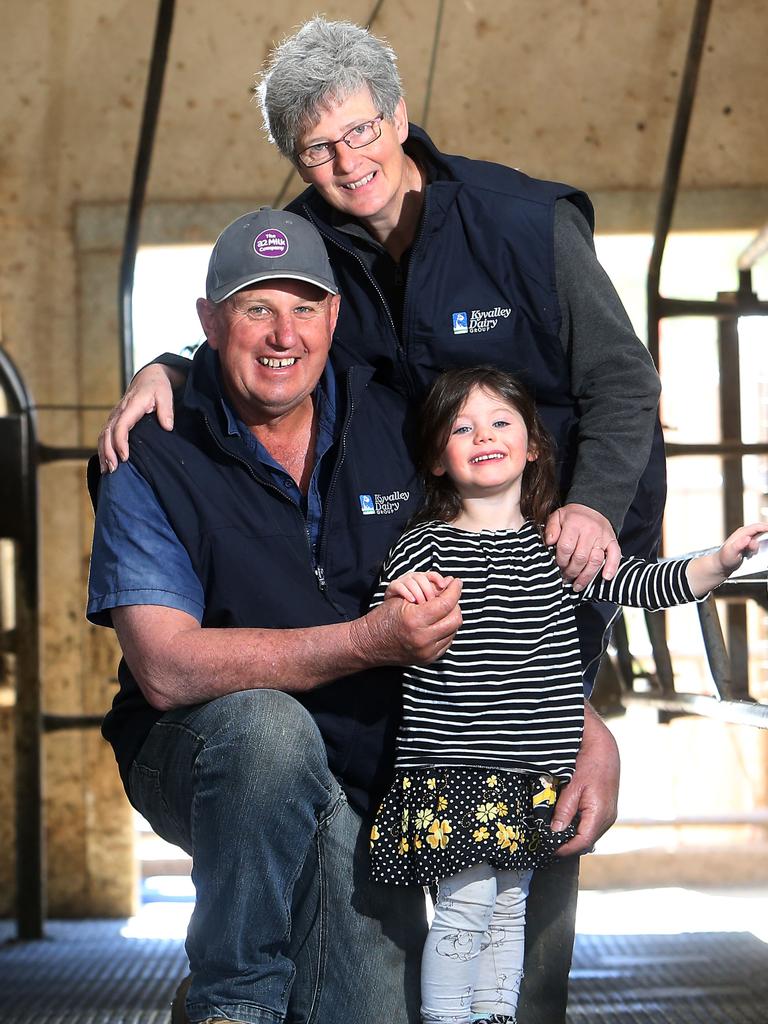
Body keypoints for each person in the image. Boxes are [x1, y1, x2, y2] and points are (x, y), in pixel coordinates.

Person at [95, 16, 666, 1020]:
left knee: (525, 852)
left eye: (361, 131)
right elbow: (269, 337)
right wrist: (165, 368)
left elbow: (623, 384)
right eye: (317, 148)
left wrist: (590, 511)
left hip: (566, 550)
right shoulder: (318, 248)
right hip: (435, 565)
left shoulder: (525, 226)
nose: (346, 160)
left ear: (400, 117)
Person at [87, 207, 466, 1024]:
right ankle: (233, 1004)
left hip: (363, 762)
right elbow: (166, 668)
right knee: (267, 730)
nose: (281, 334)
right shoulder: (147, 455)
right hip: (202, 751)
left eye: (303, 307)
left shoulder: (400, 422)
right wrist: (370, 641)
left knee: (369, 1010)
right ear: (209, 323)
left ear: (335, 316)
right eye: (256, 308)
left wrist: (579, 716)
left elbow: (507, 546)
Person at [366, 365, 765, 1024]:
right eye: (462, 426)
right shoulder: (422, 546)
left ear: (532, 446)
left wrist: (718, 562)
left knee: (508, 913)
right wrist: (401, 600)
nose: (483, 435)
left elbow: (646, 583)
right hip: (452, 770)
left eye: (500, 422)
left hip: (532, 774)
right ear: (438, 457)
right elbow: (391, 618)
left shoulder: (560, 548)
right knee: (464, 912)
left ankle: (493, 1016)